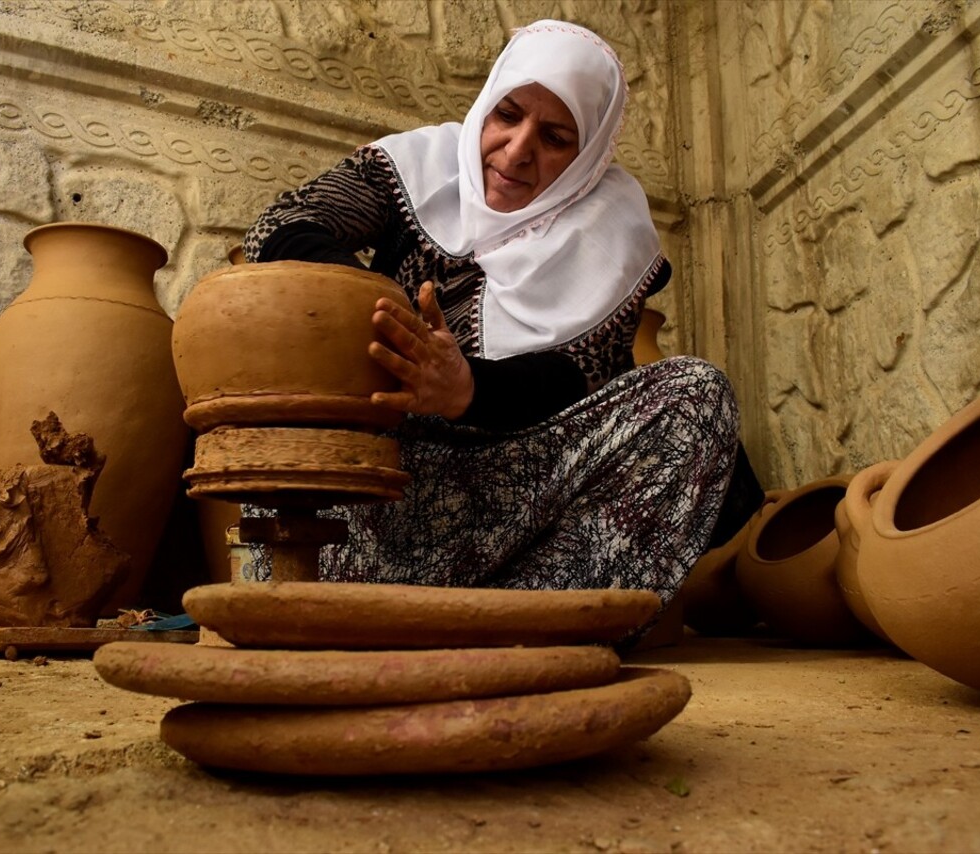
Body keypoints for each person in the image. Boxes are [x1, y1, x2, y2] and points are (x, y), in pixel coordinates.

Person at [241, 20, 754, 636]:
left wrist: (465, 391)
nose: (516, 150)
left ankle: (527, 627)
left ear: (587, 154)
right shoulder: (417, 169)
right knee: (265, 377)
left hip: (517, 505)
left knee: (695, 393)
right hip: (380, 498)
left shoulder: (610, 232)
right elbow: (282, 226)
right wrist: (386, 314)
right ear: (486, 104)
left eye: (556, 136)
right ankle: (404, 617)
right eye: (507, 115)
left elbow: (578, 379)